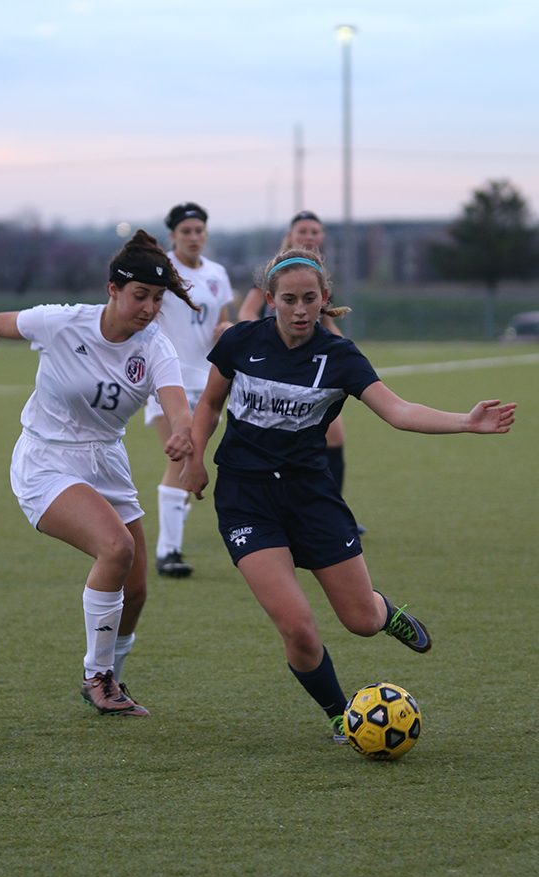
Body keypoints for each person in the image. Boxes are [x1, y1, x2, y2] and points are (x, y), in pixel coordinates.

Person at [181, 248, 516, 743]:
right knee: (297, 626)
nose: (299, 309)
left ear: (325, 299)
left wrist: (465, 422)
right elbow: (209, 404)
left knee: (360, 621)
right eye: (289, 299)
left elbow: (398, 411)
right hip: (245, 499)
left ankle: (385, 612)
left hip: (310, 498)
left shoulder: (339, 357)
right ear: (270, 299)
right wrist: (193, 459)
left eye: (309, 299)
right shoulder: (239, 342)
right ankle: (342, 716)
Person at [0, 229, 199, 717]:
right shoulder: (62, 323)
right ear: (112, 290)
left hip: (106, 460)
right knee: (115, 548)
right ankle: (96, 676)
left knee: (137, 589)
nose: (148, 308)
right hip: (47, 458)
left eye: (158, 299)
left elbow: (177, 405)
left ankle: (113, 679)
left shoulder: (154, 346)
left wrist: (183, 434)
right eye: (139, 295)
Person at [238, 210, 362, 531]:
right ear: (290, 235)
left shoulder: (318, 273)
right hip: (283, 364)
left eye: (315, 231)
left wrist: (345, 353)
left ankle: (331, 508)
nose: (309, 236)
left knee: (334, 436)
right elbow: (248, 311)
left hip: (315, 364)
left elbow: (327, 319)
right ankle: (288, 510)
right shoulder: (276, 270)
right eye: (303, 230)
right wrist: (260, 341)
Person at [144, 202, 234, 577]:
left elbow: (224, 320)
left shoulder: (217, 273)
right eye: (186, 232)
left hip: (208, 380)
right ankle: (168, 553)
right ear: (173, 236)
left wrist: (225, 332)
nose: (194, 237)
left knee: (194, 461)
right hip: (167, 379)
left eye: (199, 231)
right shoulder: (161, 271)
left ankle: (172, 546)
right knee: (181, 457)